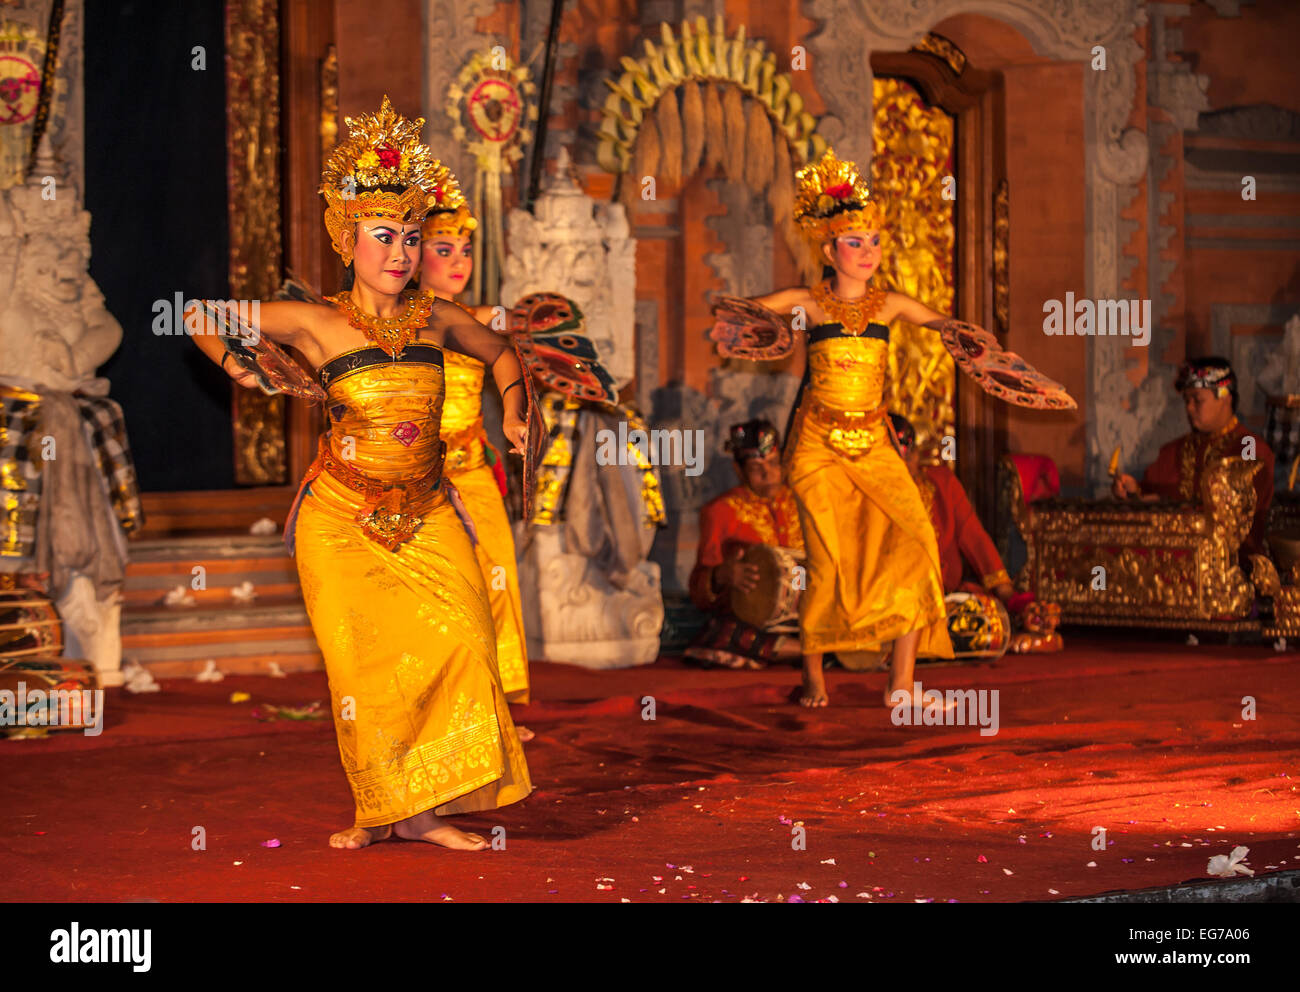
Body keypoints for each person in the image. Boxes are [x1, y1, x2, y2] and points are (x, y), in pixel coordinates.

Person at [189, 97, 531, 851]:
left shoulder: (439, 318)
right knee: (365, 672)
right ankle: (388, 810)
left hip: (428, 512)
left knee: (469, 641)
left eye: (412, 237)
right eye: (385, 237)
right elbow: (199, 314)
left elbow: (501, 351)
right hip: (340, 521)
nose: (402, 253)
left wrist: (514, 409)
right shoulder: (315, 322)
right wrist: (239, 369)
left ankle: (427, 801)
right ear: (348, 240)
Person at [742, 151, 957, 708]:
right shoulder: (810, 304)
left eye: (875, 241)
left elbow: (949, 326)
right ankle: (814, 674)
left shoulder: (891, 306)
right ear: (830, 249)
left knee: (916, 539)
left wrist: (982, 350)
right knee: (827, 557)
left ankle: (902, 685)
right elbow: (747, 313)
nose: (867, 252)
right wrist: (746, 323)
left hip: (874, 442)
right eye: (855, 241)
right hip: (817, 449)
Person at [418, 174, 533, 741]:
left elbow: (525, 339)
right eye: (443, 249)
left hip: (470, 465)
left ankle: (499, 705)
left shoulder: (481, 316)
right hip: (415, 479)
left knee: (496, 577)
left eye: (465, 249)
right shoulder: (401, 321)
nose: (458, 260)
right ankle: (441, 707)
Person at [1112, 357, 1273, 557]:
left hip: (1230, 562)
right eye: (1187, 400)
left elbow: (1239, 516)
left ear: (1225, 397)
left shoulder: (1250, 448)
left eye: (1197, 399)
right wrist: (1133, 491)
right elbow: (1151, 490)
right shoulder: (1174, 450)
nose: (1189, 407)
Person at [685, 419, 804, 669]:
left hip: (809, 613)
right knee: (728, 634)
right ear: (739, 470)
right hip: (756, 623)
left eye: (773, 463)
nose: (767, 473)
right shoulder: (719, 511)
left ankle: (810, 650)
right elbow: (698, 591)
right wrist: (721, 575)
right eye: (755, 467)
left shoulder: (805, 503)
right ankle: (817, 652)